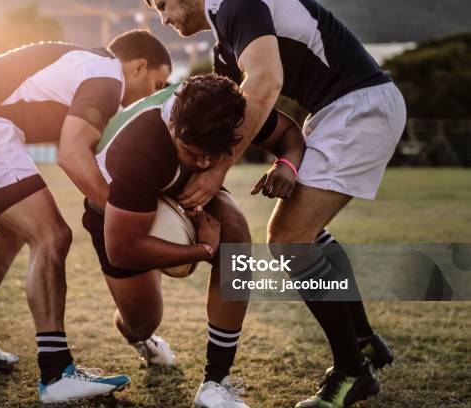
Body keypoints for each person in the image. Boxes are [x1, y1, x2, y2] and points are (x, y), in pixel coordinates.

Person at [144, 1, 406, 407]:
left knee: (288, 238)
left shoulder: (236, 5)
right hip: (339, 109)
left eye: (163, 3)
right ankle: (363, 342)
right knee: (305, 235)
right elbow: (225, 119)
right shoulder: (225, 46)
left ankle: (353, 371)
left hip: (359, 106)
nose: (163, 18)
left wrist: (216, 174)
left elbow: (265, 82)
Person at [0, 29, 171, 403]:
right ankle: (56, 374)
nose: (154, 94)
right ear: (138, 66)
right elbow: (72, 155)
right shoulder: (107, 77)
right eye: (157, 83)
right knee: (52, 236)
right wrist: (125, 219)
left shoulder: (89, 67)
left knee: (13, 231)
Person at [71, 74, 305, 408]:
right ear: (172, 129)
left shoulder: (228, 111)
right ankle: (138, 335)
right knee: (142, 322)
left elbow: (290, 134)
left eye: (216, 155)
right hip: (119, 218)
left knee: (235, 237)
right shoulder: (141, 147)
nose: (205, 164)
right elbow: (122, 249)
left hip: (178, 194)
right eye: (193, 153)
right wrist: (202, 249)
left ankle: (216, 382)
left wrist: (286, 167)